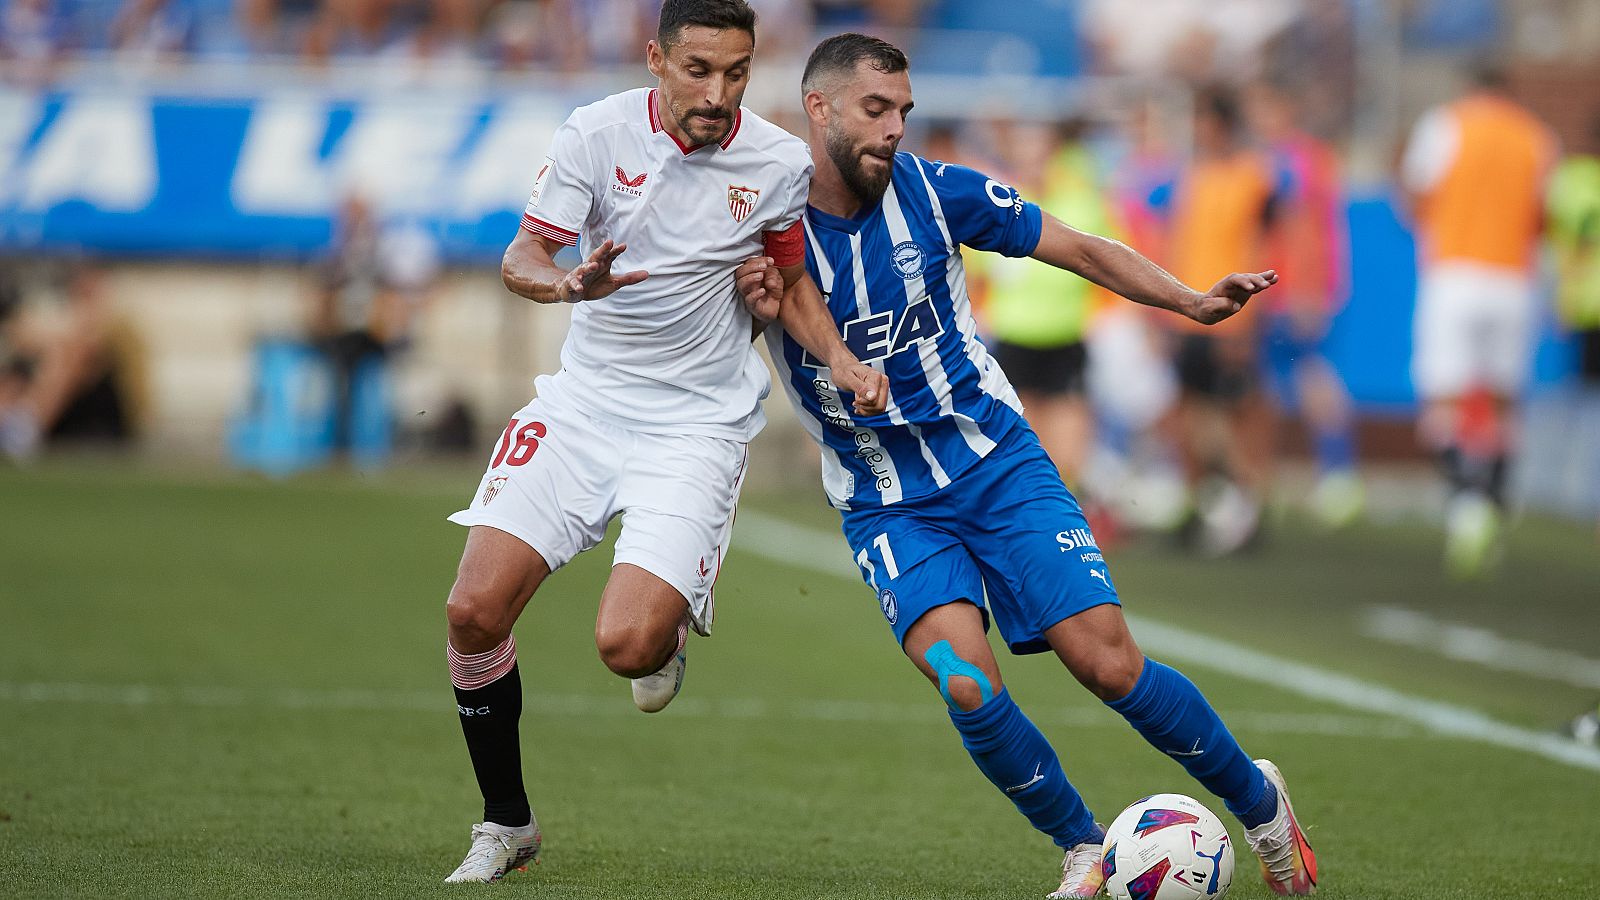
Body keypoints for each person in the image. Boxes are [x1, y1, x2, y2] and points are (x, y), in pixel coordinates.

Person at [736, 33, 1316, 898]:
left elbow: (1079, 248)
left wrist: (1191, 300)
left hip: (993, 463)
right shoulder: (758, 230)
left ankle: (1263, 806)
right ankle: (1084, 848)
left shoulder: (938, 193)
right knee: (965, 680)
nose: (895, 128)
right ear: (816, 109)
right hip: (884, 496)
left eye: (903, 111)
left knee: (1108, 663)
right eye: (874, 109)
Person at [436, 0, 885, 884]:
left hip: (695, 426)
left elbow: (790, 282)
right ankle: (507, 823)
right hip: (582, 409)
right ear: (655, 59)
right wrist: (567, 284)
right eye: (699, 70)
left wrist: (839, 360)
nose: (719, 93)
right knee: (471, 612)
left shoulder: (777, 160)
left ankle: (669, 626)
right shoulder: (594, 136)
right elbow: (521, 258)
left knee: (628, 649)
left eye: (738, 72)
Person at [1400, 63, 1556, 577]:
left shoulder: (1446, 124)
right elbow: (1543, 217)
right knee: (1502, 399)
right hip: (1513, 278)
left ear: (1470, 87)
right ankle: (1494, 500)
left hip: (1456, 274)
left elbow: (1417, 193)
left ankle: (1467, 506)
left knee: (1445, 396)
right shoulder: (1536, 136)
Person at [1160, 87, 1281, 555]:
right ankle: (1213, 504)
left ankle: (1245, 503)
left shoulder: (1253, 176)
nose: (1198, 131)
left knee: (1231, 418)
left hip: (1231, 317)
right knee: (1192, 416)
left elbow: (1261, 246)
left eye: (1205, 122)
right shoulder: (1195, 175)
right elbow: (1181, 242)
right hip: (1191, 309)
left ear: (1222, 125)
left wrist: (1252, 317)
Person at [1246, 80, 1363, 527]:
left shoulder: (1290, 161)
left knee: (1310, 375)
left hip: (1289, 289)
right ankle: (1271, 477)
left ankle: (1339, 472)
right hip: (1279, 286)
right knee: (1274, 383)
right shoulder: (1300, 158)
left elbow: (1301, 231)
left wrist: (1305, 291)